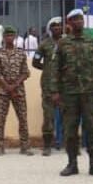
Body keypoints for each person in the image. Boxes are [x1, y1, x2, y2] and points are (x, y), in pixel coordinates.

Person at [48, 9, 93, 178]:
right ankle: (72, 163)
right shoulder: (62, 44)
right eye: (75, 20)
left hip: (90, 93)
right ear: (70, 24)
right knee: (70, 130)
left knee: (91, 129)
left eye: (80, 19)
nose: (79, 22)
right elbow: (55, 70)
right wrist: (54, 91)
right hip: (69, 94)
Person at [0, 26, 32, 155]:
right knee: (0, 119)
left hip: (18, 91)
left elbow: (26, 72)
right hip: (3, 92)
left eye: (11, 35)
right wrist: (7, 87)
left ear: (15, 37)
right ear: (3, 37)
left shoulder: (21, 53)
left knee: (23, 118)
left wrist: (14, 86)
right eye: (7, 35)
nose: (9, 38)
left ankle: (25, 146)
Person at [32, 17, 63, 156]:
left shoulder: (67, 43)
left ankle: (69, 145)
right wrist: (48, 68)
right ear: (50, 29)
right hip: (48, 86)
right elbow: (35, 62)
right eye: (54, 26)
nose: (57, 28)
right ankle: (47, 146)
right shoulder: (44, 44)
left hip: (65, 86)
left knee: (68, 116)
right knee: (48, 116)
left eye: (59, 26)